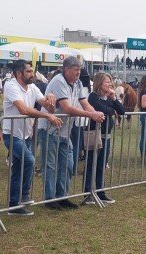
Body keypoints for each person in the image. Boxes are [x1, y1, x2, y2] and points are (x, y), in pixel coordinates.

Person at [37, 57, 104, 209]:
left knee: (68, 164)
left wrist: (96, 113)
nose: (78, 73)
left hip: (65, 131)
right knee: (51, 165)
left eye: (80, 70)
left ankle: (63, 196)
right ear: (66, 70)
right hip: (49, 130)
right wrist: (91, 115)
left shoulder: (78, 83)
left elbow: (84, 102)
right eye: (76, 70)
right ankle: (50, 199)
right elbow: (67, 108)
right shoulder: (58, 81)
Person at [1, 60, 60, 216]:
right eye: (28, 71)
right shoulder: (11, 86)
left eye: (32, 71)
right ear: (19, 73)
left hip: (26, 134)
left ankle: (14, 205)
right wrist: (47, 115)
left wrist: (50, 100)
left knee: (18, 168)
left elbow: (49, 108)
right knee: (29, 160)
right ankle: (24, 194)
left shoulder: (33, 87)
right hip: (11, 134)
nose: (32, 74)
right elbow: (23, 109)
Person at [81, 72, 124, 205]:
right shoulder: (93, 97)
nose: (110, 84)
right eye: (107, 82)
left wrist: (114, 98)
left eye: (110, 82)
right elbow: (103, 110)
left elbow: (121, 111)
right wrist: (111, 110)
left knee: (101, 165)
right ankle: (87, 193)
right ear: (100, 83)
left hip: (106, 136)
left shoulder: (109, 97)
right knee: (91, 164)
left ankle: (101, 192)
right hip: (95, 135)